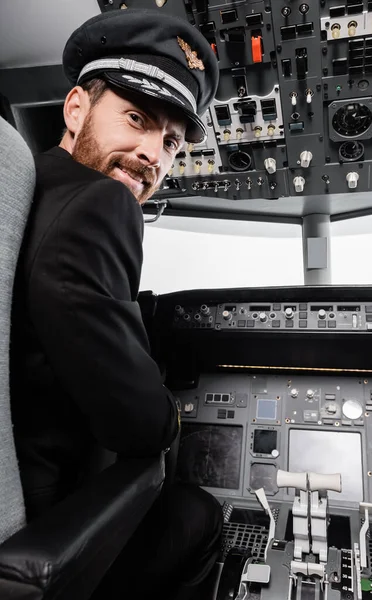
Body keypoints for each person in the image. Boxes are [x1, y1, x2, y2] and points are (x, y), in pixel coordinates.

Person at [10, 8, 222, 600]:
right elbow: (139, 424)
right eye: (136, 118)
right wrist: (170, 414)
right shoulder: (105, 202)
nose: (153, 154)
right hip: (51, 518)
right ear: (75, 108)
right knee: (198, 515)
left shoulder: (33, 188)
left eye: (171, 141)